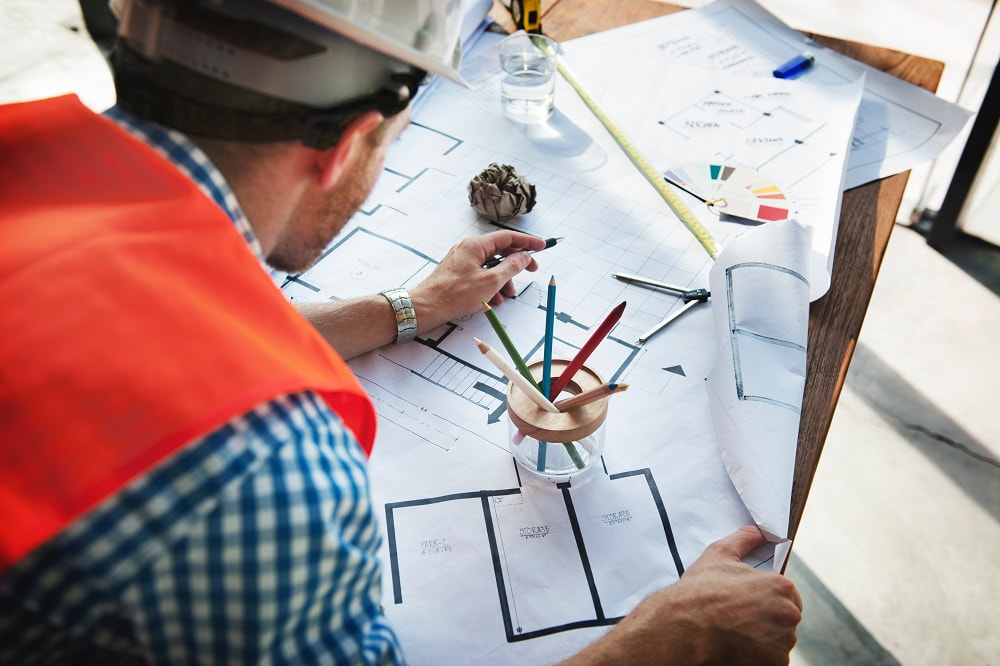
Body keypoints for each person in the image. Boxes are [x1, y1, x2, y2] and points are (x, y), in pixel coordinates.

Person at [0, 0, 801, 663]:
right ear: (346, 144)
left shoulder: (26, 176)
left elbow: (151, 326)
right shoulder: (266, 463)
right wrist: (667, 640)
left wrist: (409, 306)